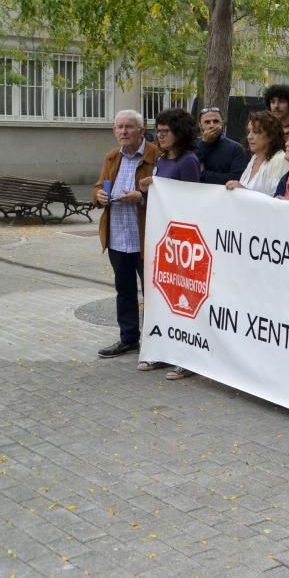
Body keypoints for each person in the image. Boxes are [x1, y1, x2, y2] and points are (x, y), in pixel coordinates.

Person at [137, 108, 201, 379]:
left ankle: (186, 359)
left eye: (165, 132)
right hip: (164, 239)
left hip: (183, 241)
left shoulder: (188, 161)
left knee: (184, 300)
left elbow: (191, 200)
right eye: (158, 132)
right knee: (163, 297)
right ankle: (162, 352)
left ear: (179, 133)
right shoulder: (161, 161)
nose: (160, 137)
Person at [93, 110, 160, 359]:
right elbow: (99, 185)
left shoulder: (156, 156)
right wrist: (98, 196)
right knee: (125, 291)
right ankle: (128, 338)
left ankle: (157, 342)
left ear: (141, 131)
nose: (123, 132)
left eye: (129, 127)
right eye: (119, 127)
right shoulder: (112, 157)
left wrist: (141, 198)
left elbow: (167, 194)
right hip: (117, 237)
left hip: (146, 238)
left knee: (153, 293)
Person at [225, 111, 289, 196]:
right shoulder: (255, 157)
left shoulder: (280, 159)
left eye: (255, 132)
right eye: (248, 132)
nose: (249, 137)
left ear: (271, 135)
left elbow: (277, 199)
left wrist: (243, 191)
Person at [195, 106, 249, 184]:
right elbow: (189, 169)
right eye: (207, 122)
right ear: (200, 125)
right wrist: (204, 144)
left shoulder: (236, 148)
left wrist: (203, 174)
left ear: (222, 123)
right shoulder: (193, 144)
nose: (212, 125)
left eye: (216, 121)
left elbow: (237, 178)